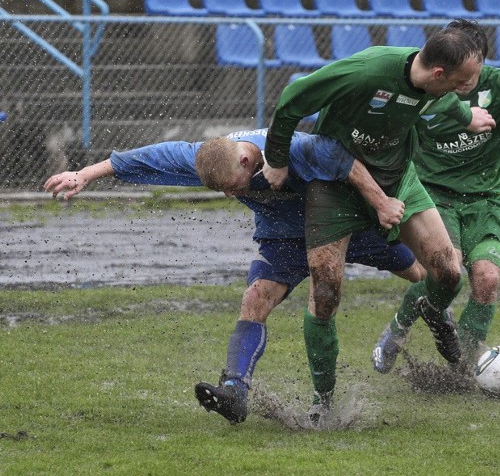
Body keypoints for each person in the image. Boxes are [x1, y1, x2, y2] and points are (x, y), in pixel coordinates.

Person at [43, 128, 425, 424]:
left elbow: (348, 162)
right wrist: (84, 174)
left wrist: (380, 203)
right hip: (284, 237)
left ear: (246, 163)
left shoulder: (295, 148)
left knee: (422, 273)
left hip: (344, 226)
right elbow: (147, 157)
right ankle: (234, 392)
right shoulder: (212, 155)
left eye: (232, 188)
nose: (230, 196)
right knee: (254, 299)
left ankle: (417, 321)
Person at [261, 20, 497, 418]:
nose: (468, 88)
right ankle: (324, 403)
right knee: (326, 294)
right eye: (463, 81)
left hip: (398, 183)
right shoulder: (368, 71)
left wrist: (466, 116)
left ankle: (430, 310)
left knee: (448, 273)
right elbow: (292, 98)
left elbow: (444, 102)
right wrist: (277, 160)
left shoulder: (434, 87)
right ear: (439, 73)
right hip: (334, 187)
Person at [372, 27, 500, 374]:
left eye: (473, 67)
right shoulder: (426, 90)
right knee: (447, 271)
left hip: (486, 200)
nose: (464, 79)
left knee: (486, 278)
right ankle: (398, 328)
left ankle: (462, 368)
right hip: (434, 196)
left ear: (481, 60)